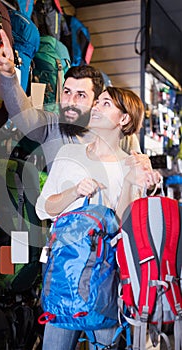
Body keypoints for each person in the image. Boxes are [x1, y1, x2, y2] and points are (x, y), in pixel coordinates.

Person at [35, 86, 161, 349]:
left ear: (123, 119)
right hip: (64, 278)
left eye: (106, 104)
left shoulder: (131, 164)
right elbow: (43, 208)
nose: (95, 107)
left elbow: (124, 227)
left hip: (106, 281)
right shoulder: (69, 154)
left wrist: (130, 180)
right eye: (97, 102)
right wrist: (74, 191)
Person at [0, 29, 149, 174]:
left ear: (96, 102)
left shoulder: (120, 136)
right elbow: (24, 116)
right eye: (67, 92)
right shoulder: (53, 126)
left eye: (81, 95)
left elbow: (141, 180)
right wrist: (9, 75)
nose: (70, 101)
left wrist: (147, 178)